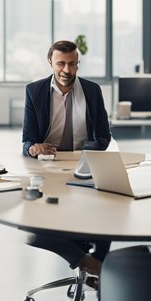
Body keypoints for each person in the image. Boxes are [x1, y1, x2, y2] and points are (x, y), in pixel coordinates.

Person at [21, 40, 113, 278]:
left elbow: (103, 137)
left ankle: (97, 263)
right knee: (30, 229)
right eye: (61, 63)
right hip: (47, 168)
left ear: (78, 65)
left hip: (83, 165)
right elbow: (27, 140)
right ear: (50, 62)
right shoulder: (35, 91)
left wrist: (86, 152)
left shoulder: (92, 91)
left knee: (109, 211)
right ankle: (86, 261)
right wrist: (34, 148)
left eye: (72, 64)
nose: (67, 70)